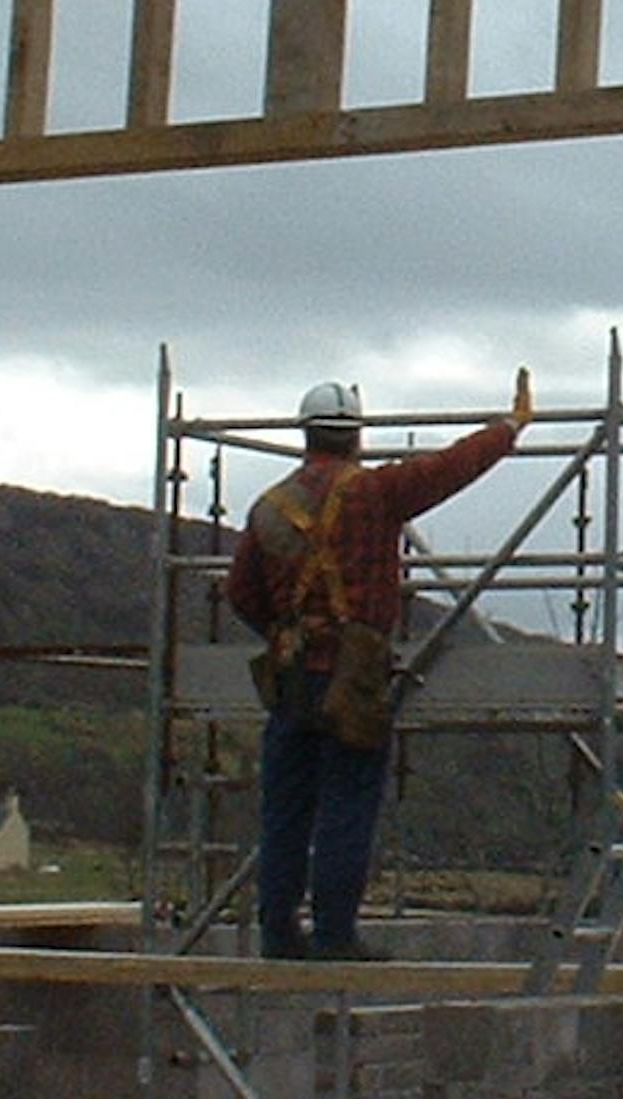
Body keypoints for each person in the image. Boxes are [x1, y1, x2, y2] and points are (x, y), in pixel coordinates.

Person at [223, 370, 533, 960]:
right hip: (353, 674)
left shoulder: (269, 509)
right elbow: (450, 468)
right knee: (347, 801)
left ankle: (277, 934)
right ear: (356, 436)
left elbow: (241, 593)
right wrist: (509, 427)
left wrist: (284, 630)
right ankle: (335, 934)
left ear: (305, 434)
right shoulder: (375, 494)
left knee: (285, 808)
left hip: (291, 675)